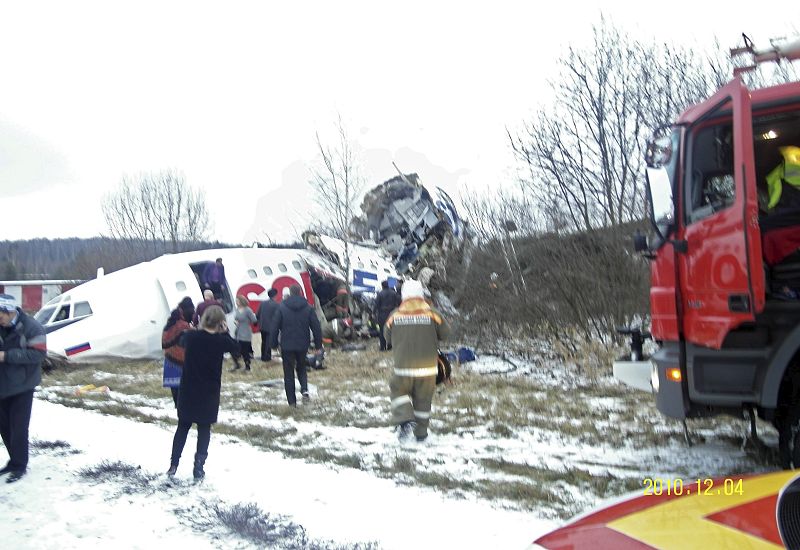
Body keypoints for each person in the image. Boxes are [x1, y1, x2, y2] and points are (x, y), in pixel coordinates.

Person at [168, 305, 237, 479]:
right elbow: (235, 347)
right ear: (221, 322)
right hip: (209, 392)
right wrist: (225, 332)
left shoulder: (191, 337)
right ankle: (198, 468)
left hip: (188, 389)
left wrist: (198, 328)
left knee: (182, 427)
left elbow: (180, 340)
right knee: (204, 430)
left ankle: (173, 465)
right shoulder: (221, 341)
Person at [384, 279, 449, 442]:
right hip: (428, 369)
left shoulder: (395, 315)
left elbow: (387, 337)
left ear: (403, 296)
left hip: (403, 368)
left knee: (398, 391)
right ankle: (421, 435)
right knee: (423, 402)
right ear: (421, 295)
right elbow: (446, 334)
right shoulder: (433, 314)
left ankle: (405, 419)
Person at [0, 294, 47, 483]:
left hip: (23, 385)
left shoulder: (32, 327)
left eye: (1, 315)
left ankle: (20, 465)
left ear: (11, 311)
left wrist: (6, 356)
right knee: (4, 427)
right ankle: (13, 461)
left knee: (18, 427)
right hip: (2, 384)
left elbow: (39, 354)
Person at [270, 284, 322, 407]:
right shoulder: (308, 307)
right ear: (300, 293)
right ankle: (304, 389)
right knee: (301, 367)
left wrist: (273, 344)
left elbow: (274, 327)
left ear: (290, 293)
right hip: (303, 343)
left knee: (288, 373)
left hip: (287, 344)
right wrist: (318, 345)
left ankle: (292, 402)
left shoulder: (282, 307)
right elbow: (316, 327)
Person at [162, 297, 194, 407]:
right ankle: (183, 406)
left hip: (169, 359)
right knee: (184, 387)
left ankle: (177, 405)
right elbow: (190, 342)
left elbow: (165, 342)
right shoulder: (183, 325)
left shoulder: (170, 324)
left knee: (174, 388)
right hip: (181, 361)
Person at [231, 295, 257, 371]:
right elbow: (236, 318)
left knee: (245, 349)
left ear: (242, 301)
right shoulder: (237, 310)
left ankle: (247, 366)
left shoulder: (248, 310)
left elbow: (254, 320)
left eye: (238, 301)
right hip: (238, 331)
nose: (236, 303)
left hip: (246, 331)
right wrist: (236, 322)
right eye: (236, 301)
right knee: (237, 348)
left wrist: (247, 322)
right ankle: (237, 364)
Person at [374, 280, 401, 351]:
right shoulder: (394, 293)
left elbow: (376, 305)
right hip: (392, 313)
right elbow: (399, 301)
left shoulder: (380, 294)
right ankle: (390, 346)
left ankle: (382, 347)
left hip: (382, 314)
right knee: (391, 330)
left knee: (382, 331)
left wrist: (373, 313)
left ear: (382, 286)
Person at [256, 288, 279, 361]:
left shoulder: (262, 303)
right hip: (271, 327)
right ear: (275, 295)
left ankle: (263, 356)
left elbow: (257, 314)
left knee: (264, 342)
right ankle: (267, 358)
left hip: (262, 326)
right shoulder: (276, 305)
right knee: (268, 343)